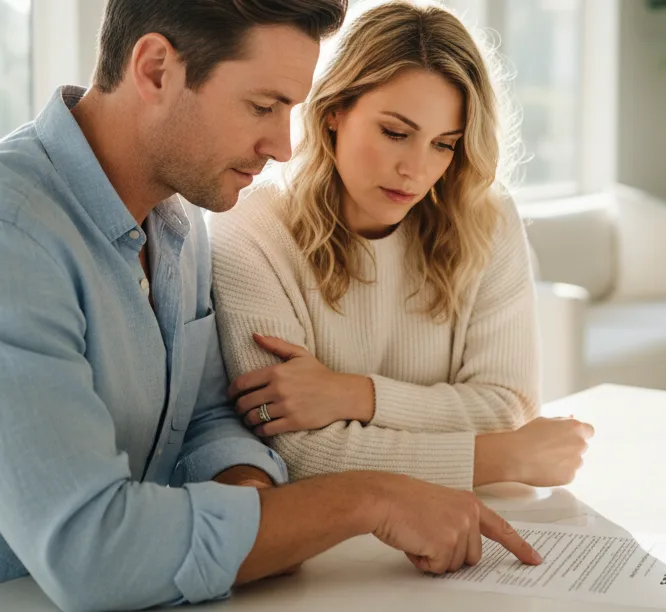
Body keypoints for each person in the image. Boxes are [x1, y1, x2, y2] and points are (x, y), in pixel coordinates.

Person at [0, 2, 543, 611]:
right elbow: (91, 551)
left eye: (291, 108)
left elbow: (209, 420)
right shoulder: (13, 236)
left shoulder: (180, 222)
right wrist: (368, 498)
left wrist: (260, 510)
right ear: (155, 69)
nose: (285, 147)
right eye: (262, 106)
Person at [209, 1, 594, 491]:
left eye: (444, 144)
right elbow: (296, 451)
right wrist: (497, 459)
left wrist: (355, 396)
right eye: (395, 133)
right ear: (334, 112)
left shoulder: (486, 220)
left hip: (469, 524)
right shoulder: (252, 230)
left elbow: (508, 408)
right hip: (333, 543)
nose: (416, 170)